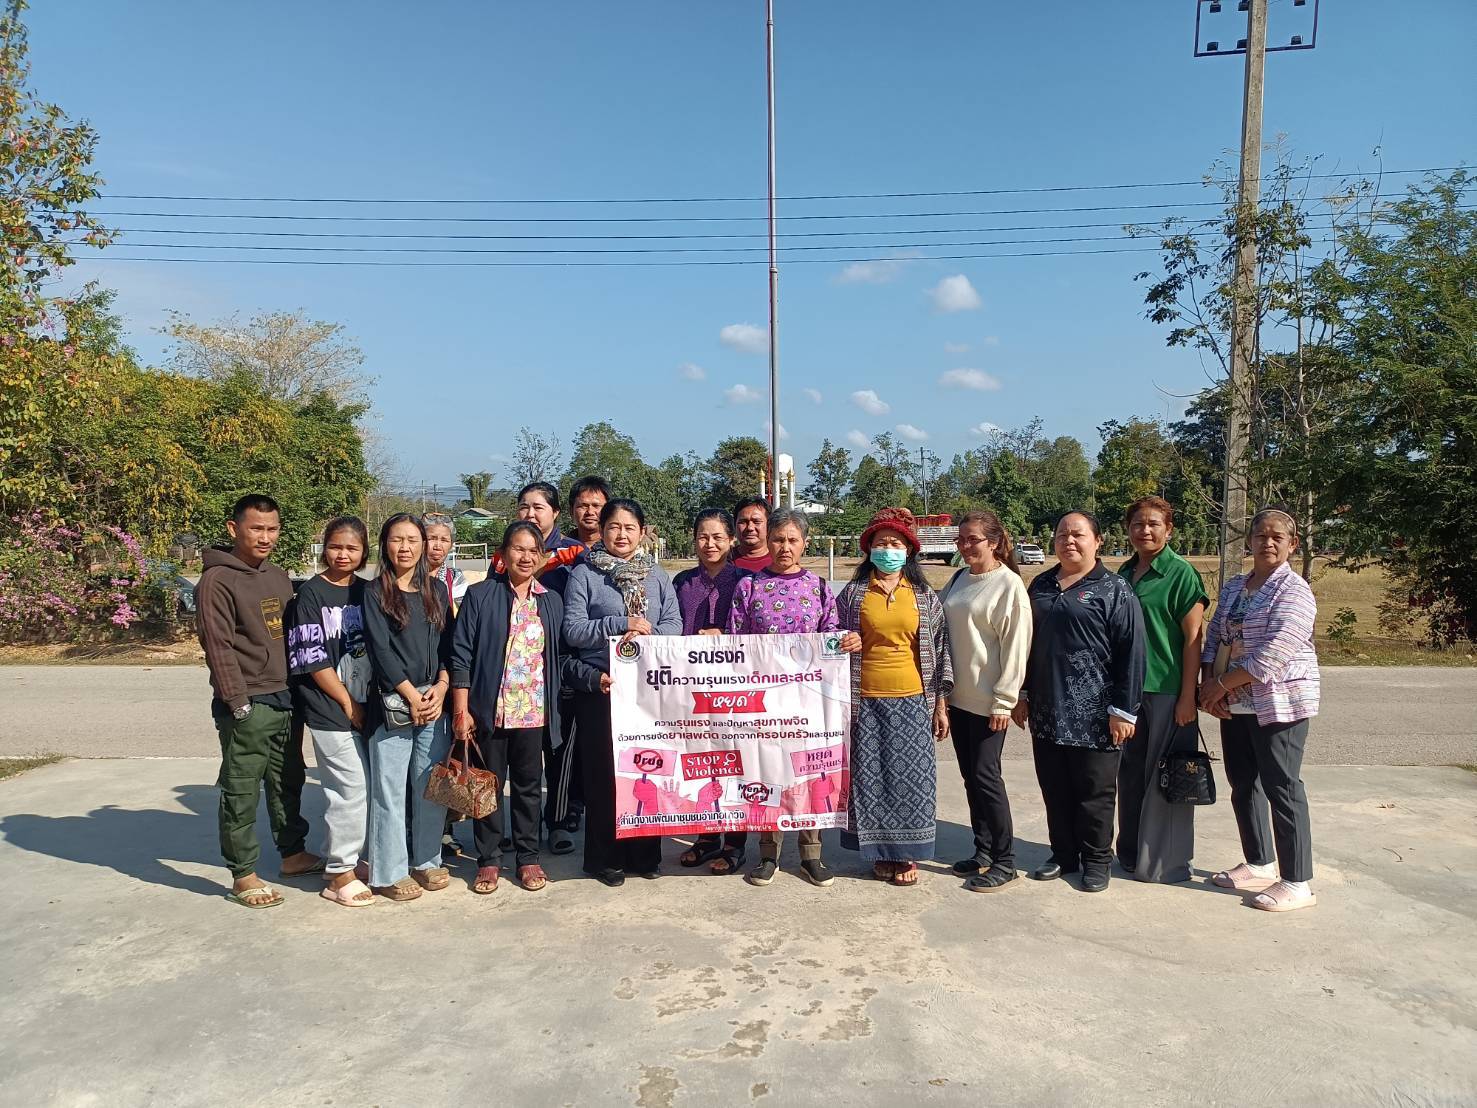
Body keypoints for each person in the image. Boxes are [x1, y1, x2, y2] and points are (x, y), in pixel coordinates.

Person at [197, 494, 320, 908]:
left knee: (288, 780)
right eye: (256, 528)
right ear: (235, 530)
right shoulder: (217, 581)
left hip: (286, 696)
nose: (265, 537)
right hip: (249, 701)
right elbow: (218, 648)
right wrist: (237, 702)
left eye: (272, 529)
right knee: (241, 788)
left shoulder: (277, 575)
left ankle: (292, 853)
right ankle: (243, 873)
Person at [727, 509, 859, 888]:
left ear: (805, 542)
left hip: (809, 704)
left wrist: (847, 641)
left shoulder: (818, 588)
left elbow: (831, 637)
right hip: (764, 704)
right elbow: (736, 646)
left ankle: (810, 854)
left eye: (792, 540)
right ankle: (768, 854)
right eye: (778, 540)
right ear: (768, 542)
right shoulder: (749, 588)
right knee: (768, 774)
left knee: (808, 774)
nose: (784, 547)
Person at [1014, 511, 1145, 893]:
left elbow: (1132, 652)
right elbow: (1026, 646)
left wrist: (1124, 710)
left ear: (1098, 541)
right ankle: (1064, 854)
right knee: (1055, 788)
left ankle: (1097, 860)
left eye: (1078, 534)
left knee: (1095, 793)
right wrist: (1021, 693)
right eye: (1061, 535)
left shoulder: (1114, 589)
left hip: (1097, 715)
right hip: (1047, 709)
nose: (1068, 541)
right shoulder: (1040, 584)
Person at [1199, 508, 1321, 913]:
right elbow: (1215, 634)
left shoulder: (1294, 590)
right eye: (1260, 536)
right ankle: (1258, 861)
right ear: (1249, 541)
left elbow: (1274, 654)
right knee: (1244, 784)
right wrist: (1209, 685)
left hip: (1279, 703)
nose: (1267, 543)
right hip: (1237, 705)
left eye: (1277, 537)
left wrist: (1218, 686)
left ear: (1292, 544)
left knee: (1282, 787)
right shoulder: (1236, 586)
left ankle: (1298, 880)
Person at [563, 497, 682, 886]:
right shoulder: (584, 574)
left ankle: (645, 855)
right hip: (602, 687)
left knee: (648, 770)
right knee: (603, 775)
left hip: (648, 690)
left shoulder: (658, 575)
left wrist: (645, 638)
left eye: (630, 528)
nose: (621, 534)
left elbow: (673, 625)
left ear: (643, 532)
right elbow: (574, 630)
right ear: (602, 530)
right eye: (614, 526)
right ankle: (605, 858)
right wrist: (620, 624)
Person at [451, 521, 575, 894]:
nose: (525, 556)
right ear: (503, 555)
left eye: (532, 550)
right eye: (517, 549)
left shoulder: (550, 600)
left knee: (527, 788)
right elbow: (460, 655)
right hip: (489, 710)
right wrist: (462, 710)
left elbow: (558, 656)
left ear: (541, 557)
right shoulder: (480, 595)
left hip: (533, 711)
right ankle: (488, 859)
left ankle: (528, 857)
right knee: (487, 787)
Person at [836, 507, 953, 888]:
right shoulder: (853, 595)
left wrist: (939, 703)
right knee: (871, 779)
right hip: (864, 699)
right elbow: (829, 639)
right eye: (882, 543)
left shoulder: (923, 596)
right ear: (869, 549)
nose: (889, 549)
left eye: (896, 544)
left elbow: (940, 645)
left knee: (912, 780)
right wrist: (843, 643)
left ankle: (908, 853)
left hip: (913, 698)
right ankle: (880, 854)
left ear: (909, 551)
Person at [362, 513, 455, 902]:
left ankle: (427, 862)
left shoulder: (437, 589)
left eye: (413, 540)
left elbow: (451, 645)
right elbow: (380, 650)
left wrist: (442, 688)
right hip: (393, 704)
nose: (405, 547)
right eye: (397, 540)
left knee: (428, 788)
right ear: (385, 545)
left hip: (434, 701)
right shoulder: (374, 592)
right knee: (389, 791)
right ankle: (387, 871)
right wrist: (411, 695)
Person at [1117, 496, 1209, 884]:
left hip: (1168, 691)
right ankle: (1131, 853)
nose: (1146, 530)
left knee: (1168, 779)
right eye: (1138, 524)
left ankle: (1166, 863)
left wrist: (1189, 696)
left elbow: (1194, 638)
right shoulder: (1123, 572)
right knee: (1131, 776)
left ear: (1169, 529)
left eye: (1154, 524)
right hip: (1128, 692)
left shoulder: (1180, 573)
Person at [940, 511, 1032, 892]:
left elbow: (1016, 647)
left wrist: (1004, 701)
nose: (965, 546)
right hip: (958, 697)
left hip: (988, 702)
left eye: (973, 539)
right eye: (960, 539)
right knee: (970, 778)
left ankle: (1006, 860)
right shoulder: (960, 578)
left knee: (987, 778)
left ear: (993, 542)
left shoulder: (1008, 585)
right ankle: (983, 850)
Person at [288, 516, 376, 907]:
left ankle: (350, 860)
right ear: (324, 547)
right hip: (329, 708)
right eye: (336, 546)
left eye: (351, 548)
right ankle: (339, 874)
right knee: (349, 789)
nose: (343, 555)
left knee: (360, 789)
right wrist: (347, 703)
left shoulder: (369, 592)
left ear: (363, 552)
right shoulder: (310, 594)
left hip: (369, 707)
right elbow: (312, 659)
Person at [672, 508, 754, 875]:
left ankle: (735, 843)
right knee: (700, 760)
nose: (710, 544)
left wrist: (726, 638)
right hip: (691, 685)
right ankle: (705, 836)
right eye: (703, 537)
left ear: (732, 540)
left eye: (719, 537)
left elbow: (760, 634)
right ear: (694, 540)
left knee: (736, 761)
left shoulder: (748, 581)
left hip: (735, 687)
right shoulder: (682, 582)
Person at [423, 511, 470, 863]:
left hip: (450, 674)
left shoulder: (457, 581)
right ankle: (416, 830)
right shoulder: (401, 578)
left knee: (447, 759)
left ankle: (445, 830)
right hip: (415, 678)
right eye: (429, 537)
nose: (435, 545)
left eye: (443, 539)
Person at [422, 513, 469, 616]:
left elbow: (464, 613)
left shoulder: (455, 577)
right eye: (432, 538)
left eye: (444, 540)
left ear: (451, 545)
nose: (438, 546)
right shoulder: (407, 576)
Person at [730, 496, 773, 573]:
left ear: (769, 525)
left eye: (756, 522)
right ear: (734, 524)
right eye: (743, 522)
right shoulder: (724, 560)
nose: (750, 528)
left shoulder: (779, 560)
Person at [569, 475, 612, 547]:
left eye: (596, 506)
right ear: (571, 511)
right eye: (583, 506)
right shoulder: (558, 550)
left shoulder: (618, 548)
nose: (590, 512)